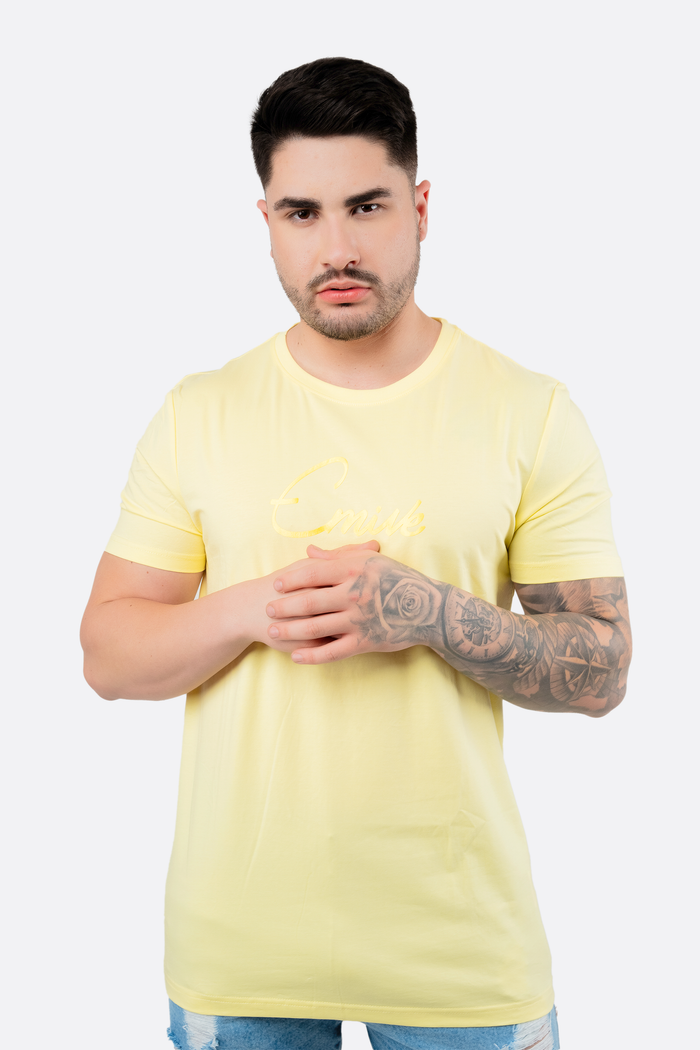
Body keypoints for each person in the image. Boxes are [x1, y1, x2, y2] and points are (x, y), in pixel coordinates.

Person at [80, 57, 632, 1050]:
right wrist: (257, 606)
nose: (336, 248)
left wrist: (427, 614)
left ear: (420, 208)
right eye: (302, 214)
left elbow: (601, 671)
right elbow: (109, 657)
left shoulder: (529, 411)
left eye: (366, 206)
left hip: (462, 959)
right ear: (266, 222)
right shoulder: (198, 413)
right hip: (239, 955)